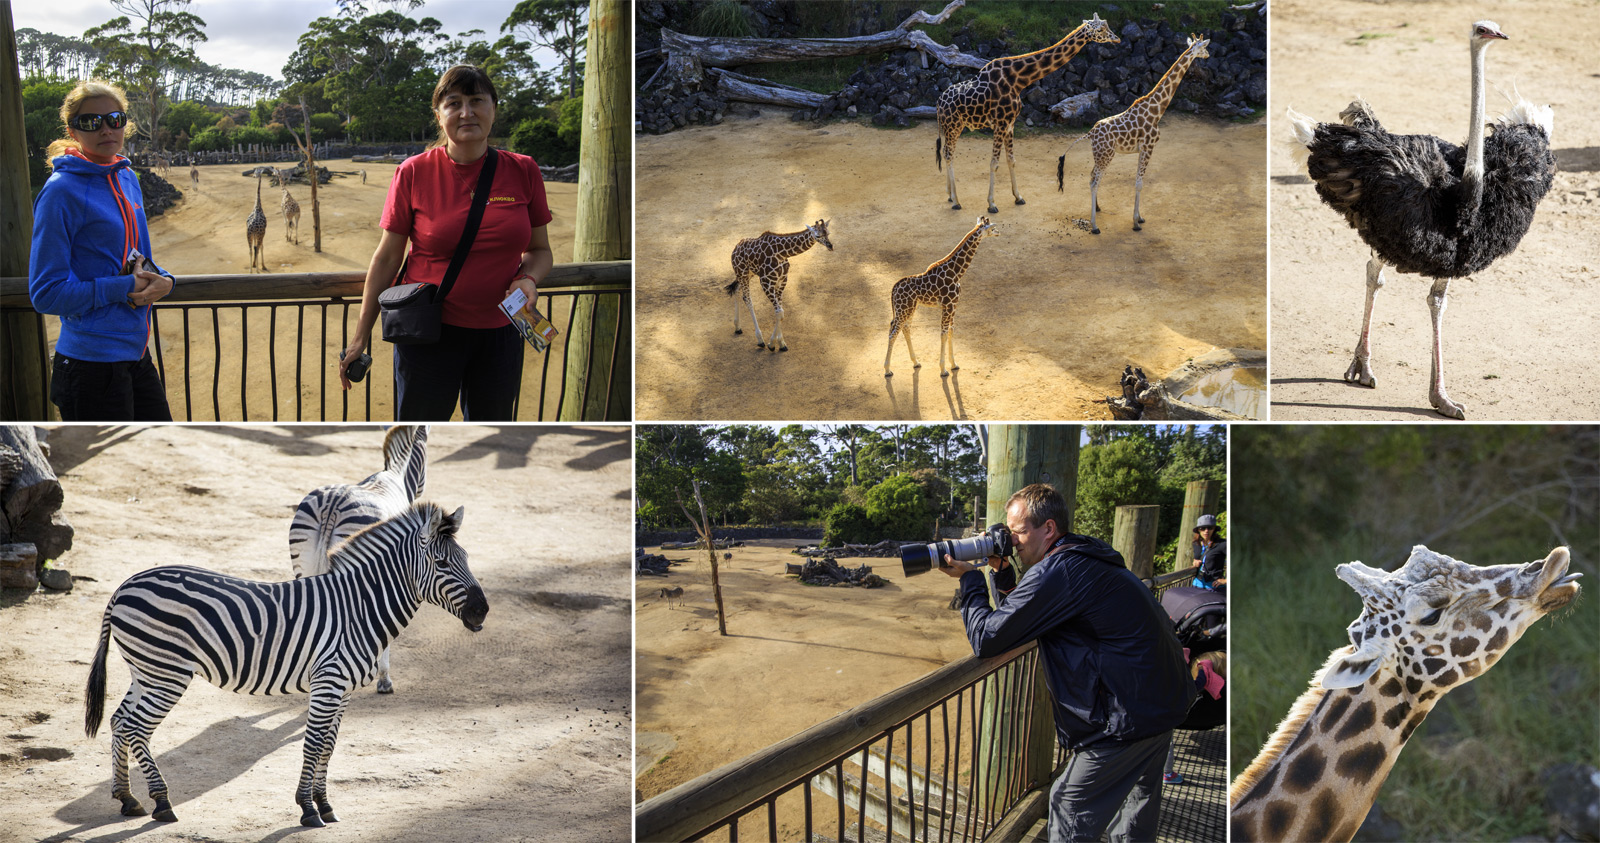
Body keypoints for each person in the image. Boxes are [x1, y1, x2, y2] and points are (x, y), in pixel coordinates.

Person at [943, 484, 1195, 842]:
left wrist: (970, 578)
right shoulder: (1084, 556)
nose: (1012, 541)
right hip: (1163, 701)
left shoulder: (1060, 570)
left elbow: (987, 639)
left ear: (1048, 528)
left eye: (1018, 532)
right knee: (1136, 809)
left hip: (1127, 718)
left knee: (1068, 805)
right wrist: (999, 570)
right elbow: (1022, 615)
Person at [339, 64, 554, 420]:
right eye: (454, 103)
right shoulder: (413, 172)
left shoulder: (523, 169)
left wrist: (528, 278)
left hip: (501, 334)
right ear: (439, 116)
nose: (466, 112)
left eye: (476, 101)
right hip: (429, 334)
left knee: (490, 435)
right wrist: (360, 336)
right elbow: (387, 258)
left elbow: (540, 251)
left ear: (493, 109)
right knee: (417, 432)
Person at [29, 79, 175, 421]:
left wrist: (166, 281)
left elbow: (142, 259)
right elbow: (45, 294)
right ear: (72, 130)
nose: (106, 128)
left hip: (136, 357)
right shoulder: (60, 192)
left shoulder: (128, 179)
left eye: (115, 119)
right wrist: (124, 287)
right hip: (89, 367)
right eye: (91, 122)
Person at [1190, 514, 1226, 589]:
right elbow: (1198, 558)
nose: (1206, 531)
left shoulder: (1222, 544)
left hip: (1213, 587)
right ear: (1198, 530)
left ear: (1214, 529)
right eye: (1202, 528)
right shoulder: (1196, 544)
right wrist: (1195, 560)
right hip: (1196, 585)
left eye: (1210, 528)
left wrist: (1226, 580)